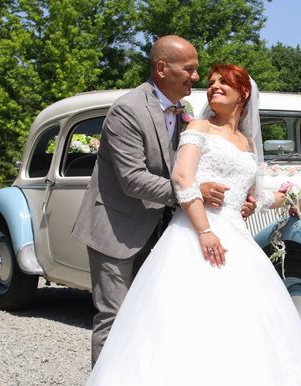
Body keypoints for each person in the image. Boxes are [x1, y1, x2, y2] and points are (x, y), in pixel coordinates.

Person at [61, 64, 301, 386]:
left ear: (243, 95)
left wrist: (279, 199)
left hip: (233, 235)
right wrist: (204, 231)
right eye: (209, 82)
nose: (212, 87)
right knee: (178, 323)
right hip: (197, 234)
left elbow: (246, 198)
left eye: (223, 84)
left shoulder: (246, 142)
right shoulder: (198, 130)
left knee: (235, 325)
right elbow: (182, 177)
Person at [71, 35, 252, 366]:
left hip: (162, 229)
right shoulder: (127, 110)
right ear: (161, 68)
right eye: (190, 69)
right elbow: (132, 180)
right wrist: (193, 193)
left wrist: (236, 197)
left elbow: (191, 165)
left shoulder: (183, 111)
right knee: (115, 317)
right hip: (116, 228)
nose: (196, 78)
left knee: (153, 317)